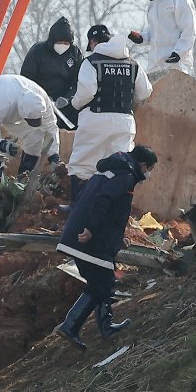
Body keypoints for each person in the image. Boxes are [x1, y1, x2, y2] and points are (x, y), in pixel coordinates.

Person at [54, 146, 158, 350]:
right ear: (143, 165)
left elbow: (110, 209)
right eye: (150, 169)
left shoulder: (110, 171)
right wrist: (91, 229)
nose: (148, 174)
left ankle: (106, 327)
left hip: (79, 235)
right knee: (102, 282)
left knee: (101, 282)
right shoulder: (126, 176)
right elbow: (103, 200)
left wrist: (117, 237)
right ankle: (70, 325)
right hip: (89, 240)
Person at [66, 25, 153, 206]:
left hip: (95, 118)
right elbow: (145, 92)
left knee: (83, 164)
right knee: (120, 167)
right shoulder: (132, 63)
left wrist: (73, 106)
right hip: (125, 121)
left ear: (92, 43)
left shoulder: (91, 62)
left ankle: (79, 209)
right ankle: (111, 210)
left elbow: (87, 93)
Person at [0, 75, 61, 174]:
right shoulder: (2, 103)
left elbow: (51, 126)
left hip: (10, 104)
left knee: (36, 133)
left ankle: (25, 174)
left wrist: (54, 155)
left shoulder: (42, 98)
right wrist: (2, 144)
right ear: (22, 112)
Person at [128, 0, 196, 74]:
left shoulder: (180, 0)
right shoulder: (153, 5)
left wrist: (178, 53)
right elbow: (154, 33)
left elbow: (189, 31)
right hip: (155, 63)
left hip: (177, 62)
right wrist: (142, 38)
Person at [20, 17, 84, 129]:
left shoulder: (75, 53)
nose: (62, 45)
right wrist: (40, 97)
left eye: (66, 43)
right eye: (59, 42)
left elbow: (79, 82)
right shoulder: (38, 51)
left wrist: (68, 98)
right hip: (39, 102)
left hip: (65, 106)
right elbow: (26, 79)